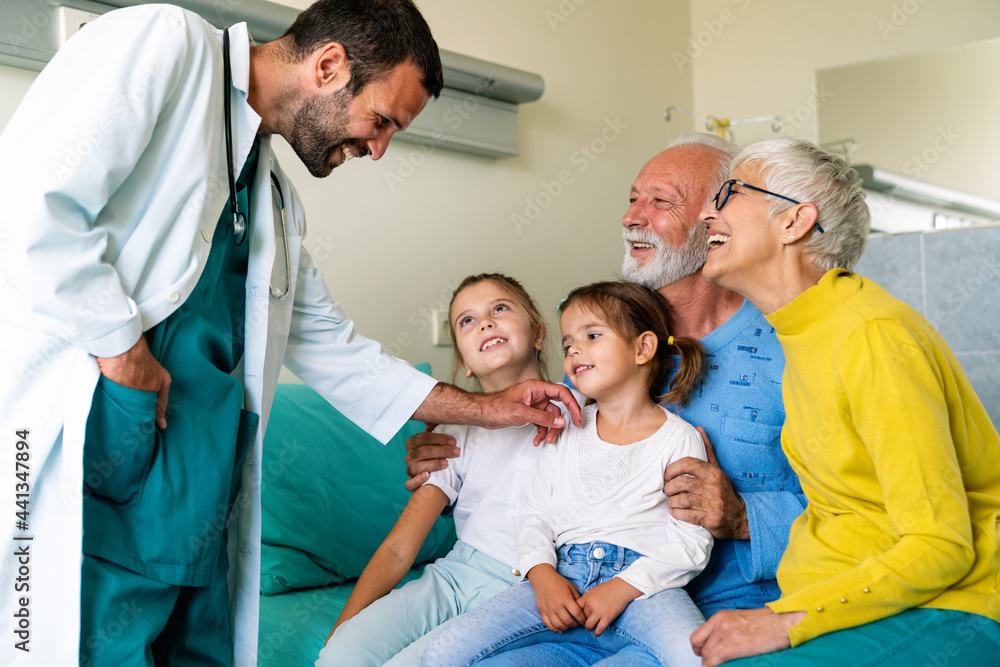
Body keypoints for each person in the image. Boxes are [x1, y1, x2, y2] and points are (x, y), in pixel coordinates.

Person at [0, 3, 580, 665]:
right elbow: (29, 205)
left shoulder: (273, 198)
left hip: (200, 481)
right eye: (382, 121)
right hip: (112, 438)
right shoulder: (165, 45)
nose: (378, 148)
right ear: (328, 66)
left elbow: (339, 351)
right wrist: (123, 350)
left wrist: (490, 408)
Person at [405, 133, 805, 626]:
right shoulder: (600, 349)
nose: (631, 216)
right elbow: (546, 477)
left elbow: (868, 513)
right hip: (586, 605)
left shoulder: (790, 351)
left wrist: (745, 517)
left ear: (717, 221)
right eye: (633, 199)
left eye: (660, 201)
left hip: (729, 610)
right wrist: (456, 454)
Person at [690, 137, 1000, 666]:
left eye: (730, 193)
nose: (706, 213)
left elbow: (941, 545)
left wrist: (790, 619)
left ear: (794, 221)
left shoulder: (870, 335)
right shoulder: (805, 331)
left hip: (950, 606)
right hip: (853, 599)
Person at [422, 281, 713, 667]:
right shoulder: (566, 426)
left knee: (695, 654)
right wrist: (542, 576)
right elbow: (533, 512)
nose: (574, 350)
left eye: (592, 336)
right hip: (563, 577)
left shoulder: (680, 438)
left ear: (643, 348)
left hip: (645, 587)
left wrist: (624, 587)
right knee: (443, 653)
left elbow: (692, 539)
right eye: (568, 344)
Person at [317, 273, 554, 666]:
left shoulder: (583, 415)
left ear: (539, 334)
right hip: (456, 575)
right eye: (467, 320)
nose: (485, 323)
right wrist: (340, 634)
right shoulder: (455, 431)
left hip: (523, 590)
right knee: (341, 657)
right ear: (464, 363)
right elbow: (399, 547)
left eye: (500, 309)